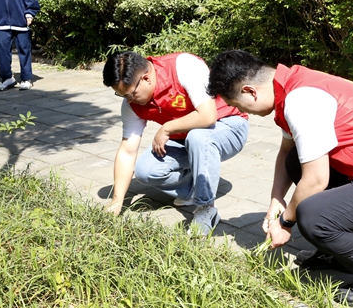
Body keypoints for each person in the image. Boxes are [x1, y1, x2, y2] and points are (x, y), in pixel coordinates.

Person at [207, 50, 353, 307]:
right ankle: (338, 253)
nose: (242, 111)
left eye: (238, 105)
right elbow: (286, 153)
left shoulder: (300, 101)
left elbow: (316, 180)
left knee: (312, 216)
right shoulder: (290, 86)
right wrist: (276, 199)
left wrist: (285, 223)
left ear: (250, 91)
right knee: (295, 161)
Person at [102, 51, 249, 234]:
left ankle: (206, 208)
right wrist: (117, 201)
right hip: (186, 138)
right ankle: (195, 190)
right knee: (145, 170)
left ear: (146, 78)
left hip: (229, 125)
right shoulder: (132, 104)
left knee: (198, 136)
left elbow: (208, 116)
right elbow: (127, 151)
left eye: (131, 94)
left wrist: (167, 128)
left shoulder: (183, 66)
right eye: (123, 96)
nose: (129, 100)